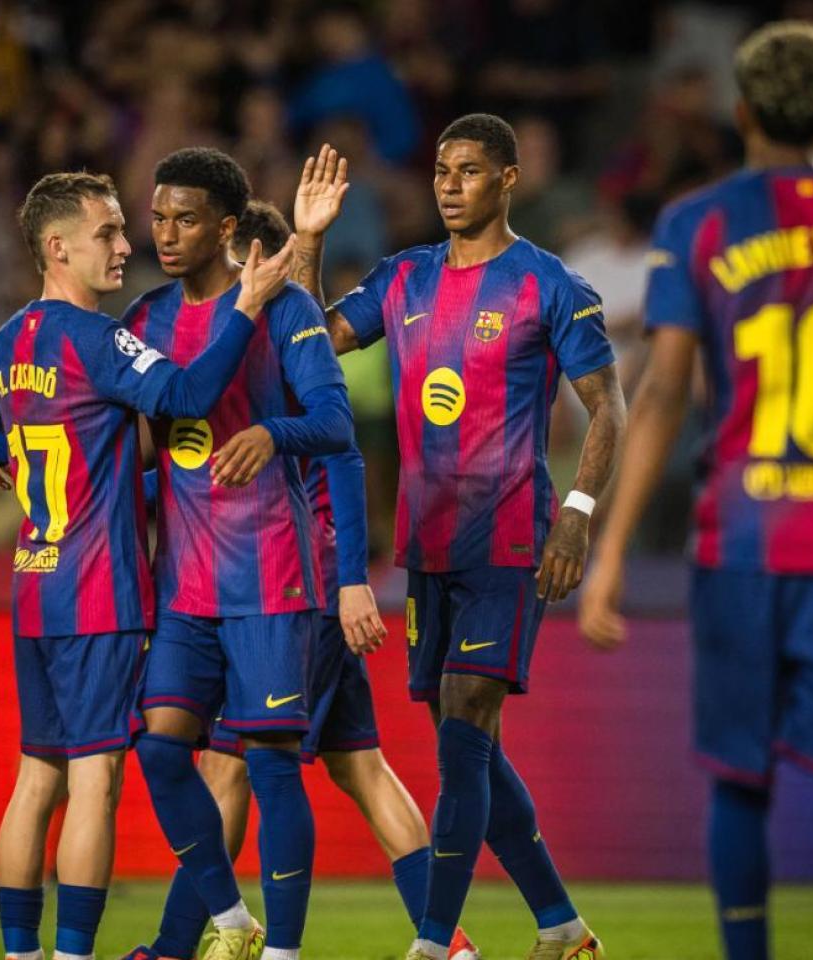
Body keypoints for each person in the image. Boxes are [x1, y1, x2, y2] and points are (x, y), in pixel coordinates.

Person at [578, 22, 813, 960]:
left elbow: (660, 392)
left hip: (738, 540)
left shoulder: (695, 224)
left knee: (739, 774)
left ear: (740, 113)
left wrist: (608, 550)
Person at [0, 170, 297, 960]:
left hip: (33, 584)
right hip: (98, 592)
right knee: (95, 782)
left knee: (35, 780)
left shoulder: (11, 338)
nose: (127, 247)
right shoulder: (98, 338)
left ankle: (22, 954)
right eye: (108, 233)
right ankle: (73, 954)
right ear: (57, 248)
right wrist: (247, 308)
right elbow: (189, 392)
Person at [292, 115, 624, 960]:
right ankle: (561, 927)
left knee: (466, 727)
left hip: (512, 538)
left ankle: (434, 943)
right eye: (441, 169)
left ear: (507, 181)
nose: (447, 184)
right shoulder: (403, 278)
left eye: (468, 170)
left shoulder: (551, 286)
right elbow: (308, 345)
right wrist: (307, 242)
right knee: (466, 742)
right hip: (427, 546)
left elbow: (608, 409)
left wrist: (579, 517)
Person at [123, 201, 478, 960]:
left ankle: (182, 944)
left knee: (233, 764)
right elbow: (198, 474)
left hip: (292, 588)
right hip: (295, 584)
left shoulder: (280, 357)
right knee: (361, 767)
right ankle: (448, 944)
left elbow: (343, 460)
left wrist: (351, 581)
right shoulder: (260, 353)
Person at [119, 148, 353, 960]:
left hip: (271, 576)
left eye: (186, 219)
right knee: (158, 749)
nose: (167, 233)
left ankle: (283, 952)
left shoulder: (285, 311)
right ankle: (230, 923)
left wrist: (269, 432)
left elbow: (335, 422)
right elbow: (125, 434)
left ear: (226, 228)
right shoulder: (143, 319)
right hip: (182, 585)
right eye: (158, 216)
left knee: (272, 766)